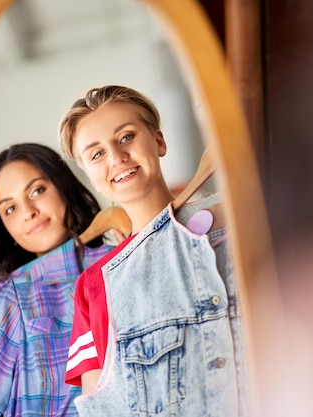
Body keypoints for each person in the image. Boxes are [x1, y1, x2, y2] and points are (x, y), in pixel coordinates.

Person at [58, 85, 245, 417]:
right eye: (97, 153)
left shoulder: (238, 220)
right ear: (90, 175)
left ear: (158, 141)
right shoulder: (95, 286)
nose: (116, 158)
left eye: (126, 137)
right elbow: (101, 401)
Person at [0, 142, 116, 417]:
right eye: (10, 209)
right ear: (4, 227)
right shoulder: (9, 297)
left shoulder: (123, 263)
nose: (28, 211)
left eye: (37, 190)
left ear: (63, 186)